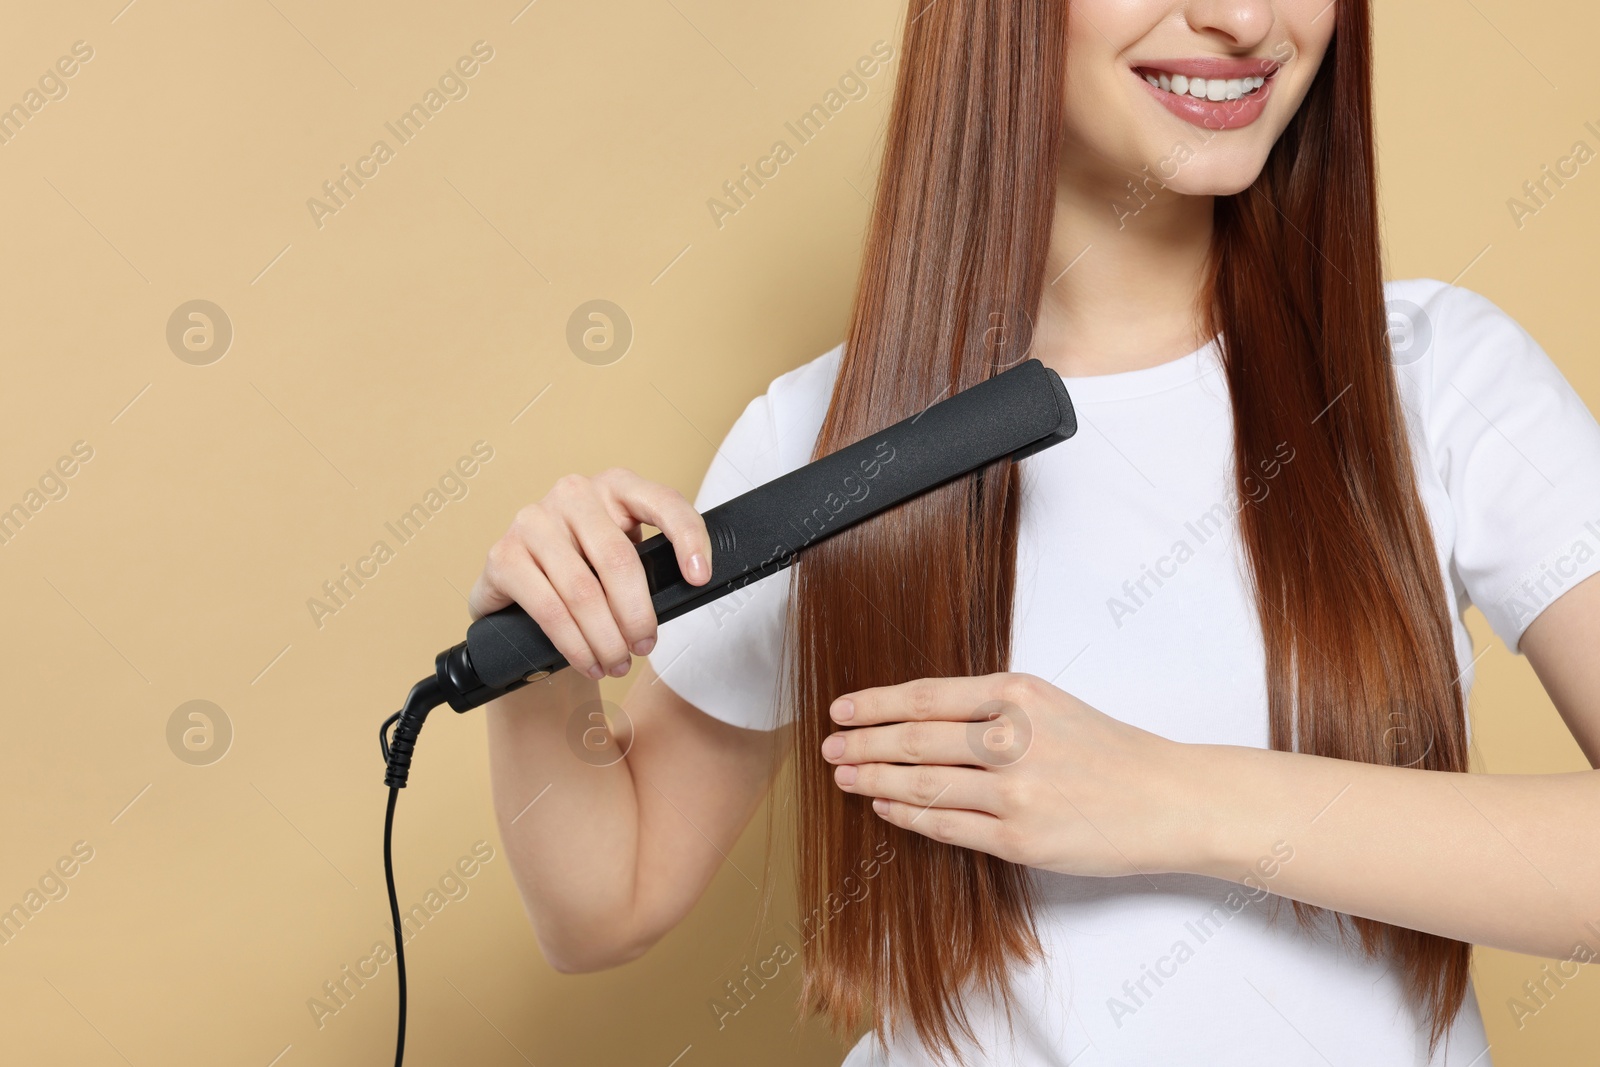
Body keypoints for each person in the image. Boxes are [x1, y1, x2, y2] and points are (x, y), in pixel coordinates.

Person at [470, 1, 1600, 1063]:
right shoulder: (823, 439)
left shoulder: (1432, 377)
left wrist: (1166, 796)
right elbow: (605, 902)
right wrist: (542, 660)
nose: (1247, 20)